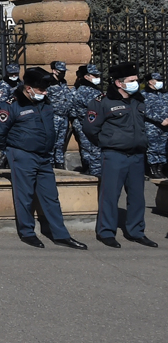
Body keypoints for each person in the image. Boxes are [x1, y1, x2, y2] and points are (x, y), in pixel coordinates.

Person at [0, 67, 88, 250]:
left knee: (51, 196)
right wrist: (11, 151)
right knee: (24, 196)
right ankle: (27, 232)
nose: (45, 92)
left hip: (44, 156)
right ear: (29, 88)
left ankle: (61, 235)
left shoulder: (44, 101)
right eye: (41, 89)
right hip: (22, 155)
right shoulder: (12, 104)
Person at [84, 63, 157, 248]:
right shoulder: (103, 101)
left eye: (136, 80)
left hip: (137, 156)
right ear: (119, 83)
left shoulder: (138, 100)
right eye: (132, 81)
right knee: (110, 195)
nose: (136, 83)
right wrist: (107, 142)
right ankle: (106, 232)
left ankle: (136, 231)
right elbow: (90, 128)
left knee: (137, 197)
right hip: (114, 155)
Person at [70, 64, 104, 176]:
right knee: (91, 151)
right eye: (94, 75)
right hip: (88, 125)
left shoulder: (92, 89)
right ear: (86, 77)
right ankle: (93, 173)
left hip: (92, 125)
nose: (97, 77)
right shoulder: (86, 90)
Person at [45, 61, 75, 170]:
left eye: (63, 71)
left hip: (64, 116)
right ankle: (50, 162)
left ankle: (59, 162)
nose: (62, 74)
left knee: (61, 142)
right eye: (60, 71)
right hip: (54, 116)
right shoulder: (48, 83)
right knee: (52, 141)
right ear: (54, 71)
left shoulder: (63, 82)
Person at [0, 64, 21, 169]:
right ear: (7, 73)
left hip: (19, 116)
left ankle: (6, 161)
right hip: (9, 116)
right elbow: (1, 104)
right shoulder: (3, 85)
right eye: (11, 74)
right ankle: (4, 161)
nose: (14, 75)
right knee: (9, 141)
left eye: (16, 73)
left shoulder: (20, 83)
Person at [142, 72, 168, 179]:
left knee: (163, 148)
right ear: (150, 82)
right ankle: (152, 169)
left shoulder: (164, 94)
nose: (160, 82)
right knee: (153, 148)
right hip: (152, 126)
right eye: (157, 80)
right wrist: (160, 120)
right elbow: (145, 110)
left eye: (161, 80)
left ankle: (160, 169)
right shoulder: (144, 95)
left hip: (165, 126)